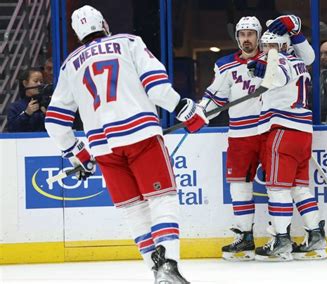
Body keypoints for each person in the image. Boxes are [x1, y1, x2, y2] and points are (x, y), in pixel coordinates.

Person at [45, 5, 207, 283]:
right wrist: (185, 109)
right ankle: (168, 265)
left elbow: (55, 122)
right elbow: (157, 88)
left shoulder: (69, 64)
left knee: (134, 211)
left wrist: (78, 154)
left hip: (103, 148)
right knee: (162, 199)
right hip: (140, 136)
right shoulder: (128, 43)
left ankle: (157, 273)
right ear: (104, 24)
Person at [199, 14, 315, 261]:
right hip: (241, 134)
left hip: (269, 131)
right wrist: (198, 113)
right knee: (240, 187)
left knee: (281, 188)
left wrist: (294, 25)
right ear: (237, 38)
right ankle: (245, 236)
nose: (246, 39)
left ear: (260, 36)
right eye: (242, 34)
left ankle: (280, 237)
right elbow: (214, 98)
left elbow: (305, 60)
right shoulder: (225, 65)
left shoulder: (275, 55)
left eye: (251, 34)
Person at [249, 31, 327, 262]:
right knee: (298, 188)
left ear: (282, 45)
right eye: (265, 45)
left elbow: (278, 76)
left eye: (271, 45)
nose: (266, 49)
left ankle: (281, 241)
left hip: (282, 128)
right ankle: (316, 237)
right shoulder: (299, 62)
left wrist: (264, 69)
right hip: (302, 132)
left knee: (277, 188)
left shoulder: (279, 59)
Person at [7, 67, 47, 132]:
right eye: (36, 81)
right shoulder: (15, 107)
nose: (39, 84)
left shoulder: (47, 104)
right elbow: (12, 130)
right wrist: (26, 114)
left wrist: (48, 115)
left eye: (41, 81)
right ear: (25, 83)